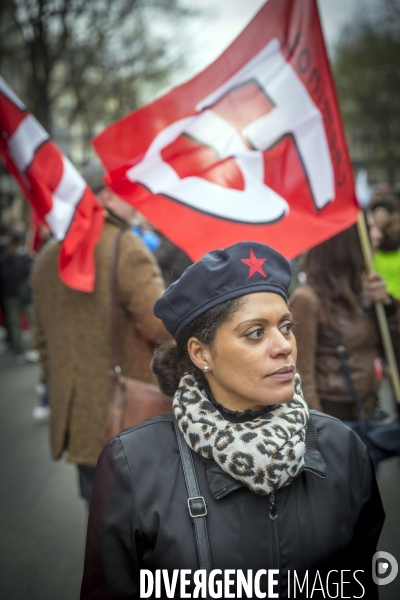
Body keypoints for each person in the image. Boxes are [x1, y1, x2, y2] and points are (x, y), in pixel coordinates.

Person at [81, 241, 384, 599]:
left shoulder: (342, 447)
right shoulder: (134, 463)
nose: (283, 345)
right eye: (255, 332)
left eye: (285, 326)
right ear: (200, 352)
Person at [31, 159, 169, 507]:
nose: (139, 201)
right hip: (129, 413)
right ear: (106, 197)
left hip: (78, 418)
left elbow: (42, 342)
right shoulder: (124, 246)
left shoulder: (48, 256)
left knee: (99, 527)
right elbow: (161, 327)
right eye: (131, 193)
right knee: (143, 526)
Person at [290, 225, 400, 427]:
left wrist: (387, 306)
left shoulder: (363, 294)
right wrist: (322, 433)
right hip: (337, 422)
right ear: (344, 245)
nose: (377, 235)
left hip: (369, 413)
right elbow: (301, 375)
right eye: (368, 228)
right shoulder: (307, 299)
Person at [0, 230, 33, 360]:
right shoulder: (6, 259)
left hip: (24, 295)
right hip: (11, 295)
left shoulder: (26, 258)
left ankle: (31, 347)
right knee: (14, 324)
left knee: (31, 321)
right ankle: (19, 349)